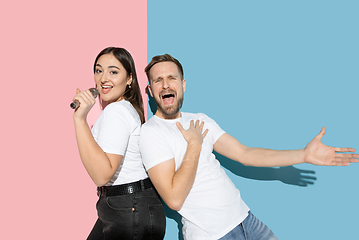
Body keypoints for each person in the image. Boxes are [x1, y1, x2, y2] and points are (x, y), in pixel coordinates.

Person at [139, 53, 359, 240]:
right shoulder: (151, 133)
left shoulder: (200, 119)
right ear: (150, 90)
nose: (166, 84)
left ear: (183, 84)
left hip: (247, 221)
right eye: (158, 80)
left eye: (171, 78)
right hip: (211, 235)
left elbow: (244, 154)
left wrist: (303, 154)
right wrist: (194, 145)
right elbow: (174, 199)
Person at [72, 47, 166, 240]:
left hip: (128, 207)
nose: (104, 78)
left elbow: (102, 174)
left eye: (113, 72)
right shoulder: (126, 109)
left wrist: (80, 119)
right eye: (99, 70)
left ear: (129, 79)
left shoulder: (116, 112)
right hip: (127, 206)